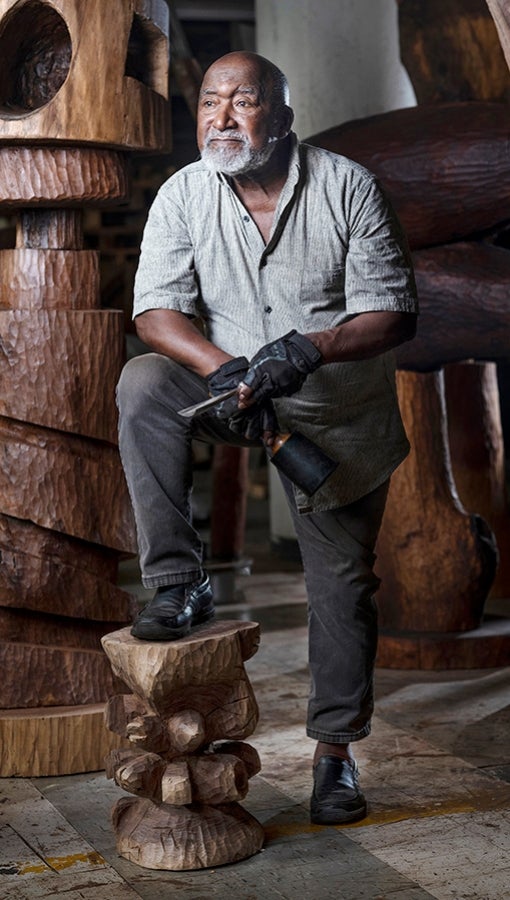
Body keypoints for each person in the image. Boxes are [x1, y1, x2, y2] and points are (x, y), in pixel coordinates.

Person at [116, 50, 418, 826]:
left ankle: (336, 755)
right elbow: (155, 314)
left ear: (281, 118)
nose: (220, 116)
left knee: (340, 590)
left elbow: (392, 312)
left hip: (332, 409)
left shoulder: (349, 186)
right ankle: (180, 583)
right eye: (210, 101)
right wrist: (226, 370)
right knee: (145, 383)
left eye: (242, 101)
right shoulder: (184, 193)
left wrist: (306, 349)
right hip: (232, 388)